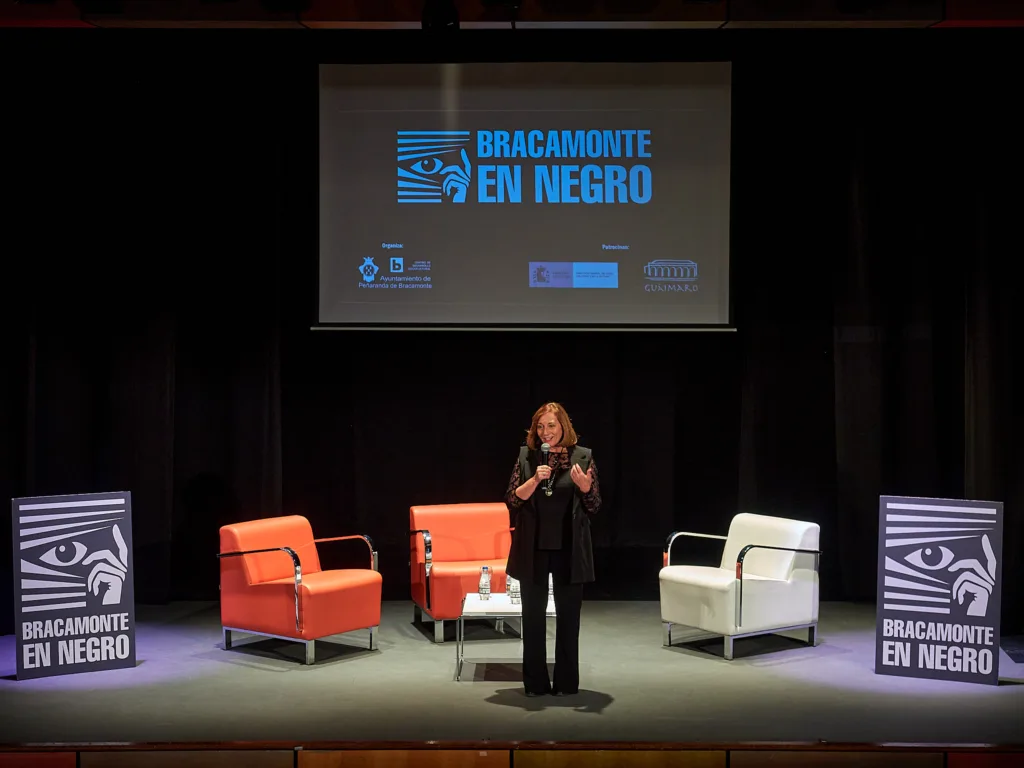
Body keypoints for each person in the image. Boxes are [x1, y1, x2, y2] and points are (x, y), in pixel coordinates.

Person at [504, 402, 601, 697]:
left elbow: (594, 505)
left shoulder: (583, 457)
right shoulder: (527, 456)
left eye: (551, 426)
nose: (545, 432)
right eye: (540, 427)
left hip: (569, 548)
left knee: (569, 618)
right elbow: (512, 500)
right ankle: (535, 684)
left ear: (563, 427)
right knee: (533, 618)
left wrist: (585, 487)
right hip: (533, 547)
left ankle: (566, 683)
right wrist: (535, 479)